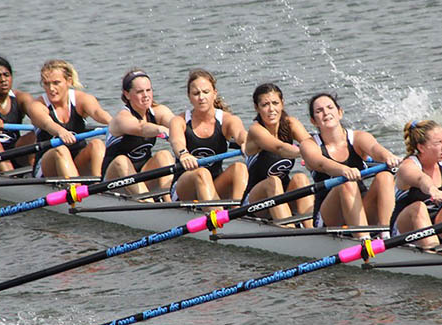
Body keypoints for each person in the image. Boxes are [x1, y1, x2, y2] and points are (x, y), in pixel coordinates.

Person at [300, 93, 400, 240]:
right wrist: (343, 170)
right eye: (319, 111)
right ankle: (364, 241)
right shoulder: (309, 145)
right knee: (346, 183)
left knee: (385, 176)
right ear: (313, 121)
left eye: (329, 107)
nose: (326, 112)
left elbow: (374, 149)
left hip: (359, 208)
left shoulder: (358, 138)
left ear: (339, 113)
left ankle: (386, 235)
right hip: (330, 216)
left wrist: (388, 156)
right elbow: (321, 163)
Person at [169, 69, 247, 208]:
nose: (201, 97)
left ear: (214, 93)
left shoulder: (227, 120)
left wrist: (246, 142)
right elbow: (177, 141)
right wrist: (184, 154)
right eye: (196, 93)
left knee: (239, 168)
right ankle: (218, 218)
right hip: (184, 188)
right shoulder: (179, 121)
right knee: (202, 173)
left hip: (214, 183)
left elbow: (240, 133)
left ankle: (238, 215)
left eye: (206, 92)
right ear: (189, 96)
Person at [243, 83, 313, 228]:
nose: (271, 109)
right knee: (273, 181)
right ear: (257, 108)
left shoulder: (291, 123)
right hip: (256, 201)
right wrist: (305, 152)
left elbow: (310, 144)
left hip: (282, 194)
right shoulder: (256, 130)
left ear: (282, 104)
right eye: (265, 105)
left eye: (275, 103)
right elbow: (280, 148)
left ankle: (312, 229)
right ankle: (291, 233)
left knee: (301, 178)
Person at [27, 59, 113, 178]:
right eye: (46, 84)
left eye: (56, 83)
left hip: (76, 160)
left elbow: (97, 112)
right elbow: (47, 124)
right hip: (48, 166)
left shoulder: (81, 99)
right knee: (61, 150)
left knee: (97, 144)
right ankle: (76, 190)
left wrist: (113, 123)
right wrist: (61, 131)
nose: (51, 89)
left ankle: (100, 187)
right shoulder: (37, 106)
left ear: (69, 81)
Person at [389, 120, 442, 248]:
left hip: (435, 222)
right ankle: (433, 252)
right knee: (418, 207)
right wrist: (432, 189)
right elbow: (421, 179)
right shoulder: (407, 167)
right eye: (438, 143)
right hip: (405, 228)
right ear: (421, 147)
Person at [102, 70, 174, 202]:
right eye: (140, 92)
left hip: (141, 175)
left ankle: (170, 202)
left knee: (164, 155)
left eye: (148, 90)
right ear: (127, 94)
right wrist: (160, 129)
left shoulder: (159, 111)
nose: (146, 96)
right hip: (114, 180)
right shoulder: (122, 118)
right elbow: (141, 128)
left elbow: (178, 124)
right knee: (121, 161)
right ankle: (150, 206)